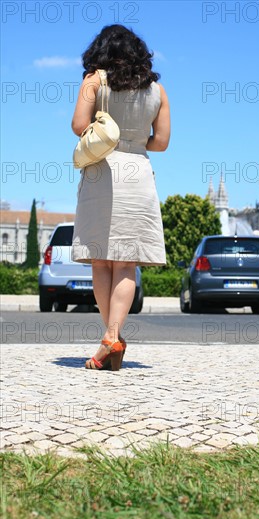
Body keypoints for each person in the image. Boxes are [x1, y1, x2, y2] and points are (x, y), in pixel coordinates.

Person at [71, 25, 170, 370]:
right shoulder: (157, 90)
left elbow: (78, 124)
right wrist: (135, 140)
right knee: (126, 262)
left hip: (102, 170)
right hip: (138, 173)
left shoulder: (93, 81)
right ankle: (112, 336)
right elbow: (161, 143)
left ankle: (110, 337)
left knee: (101, 260)